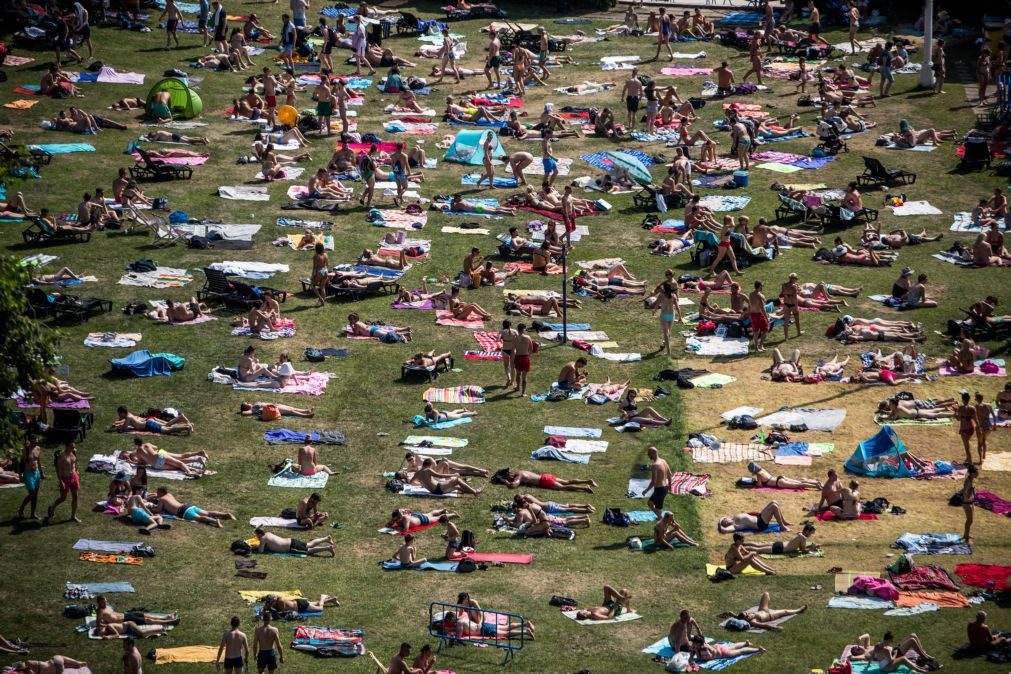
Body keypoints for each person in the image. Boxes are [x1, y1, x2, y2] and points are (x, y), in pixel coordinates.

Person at [848, 632, 934, 672]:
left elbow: (867, 635)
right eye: (857, 649)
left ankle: (925, 654)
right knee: (911, 640)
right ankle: (925, 657)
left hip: (893, 650)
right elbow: (851, 657)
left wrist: (860, 637)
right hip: (893, 655)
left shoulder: (866, 647)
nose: (859, 647)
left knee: (913, 635)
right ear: (857, 653)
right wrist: (851, 657)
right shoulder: (864, 655)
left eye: (858, 646)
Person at [720, 592, 806, 630]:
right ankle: (799, 610)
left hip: (762, 610)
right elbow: (764, 625)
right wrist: (775, 627)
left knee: (766, 593)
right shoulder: (753, 621)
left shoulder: (743, 616)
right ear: (746, 620)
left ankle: (798, 610)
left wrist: (727, 614)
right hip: (770, 615)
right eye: (747, 615)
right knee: (785, 612)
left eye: (747, 612)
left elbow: (733, 614)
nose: (748, 613)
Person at [45, 441, 80, 523]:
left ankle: (73, 516)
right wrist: (61, 481)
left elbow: (74, 462)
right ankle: (52, 507)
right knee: (63, 498)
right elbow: (58, 470)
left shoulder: (73, 452)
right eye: (72, 447)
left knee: (75, 496)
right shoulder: (61, 456)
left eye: (74, 447)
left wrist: (76, 470)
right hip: (65, 478)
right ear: (67, 447)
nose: (73, 448)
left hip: (74, 477)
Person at [409, 457, 483, 496]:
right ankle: (474, 491)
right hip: (439, 488)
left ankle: (474, 491)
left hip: (434, 492)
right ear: (429, 465)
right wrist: (453, 474)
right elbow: (440, 476)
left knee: (457, 487)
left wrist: (421, 484)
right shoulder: (428, 470)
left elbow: (411, 482)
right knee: (457, 480)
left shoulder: (417, 473)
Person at [252, 527, 335, 557]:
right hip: (291, 541)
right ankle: (326, 538)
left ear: (259, 534)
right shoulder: (267, 533)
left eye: (257, 535)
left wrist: (256, 547)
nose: (257, 537)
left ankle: (327, 548)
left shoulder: (263, 538)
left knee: (308, 551)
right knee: (309, 544)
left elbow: (260, 551)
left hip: (290, 547)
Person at [718, 501, 792, 533]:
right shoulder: (734, 526)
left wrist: (722, 519)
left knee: (774, 502)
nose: (726, 521)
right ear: (727, 525)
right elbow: (723, 530)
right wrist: (720, 522)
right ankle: (782, 526)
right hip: (760, 524)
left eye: (725, 519)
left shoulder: (734, 518)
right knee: (774, 507)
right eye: (725, 523)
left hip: (759, 517)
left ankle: (784, 521)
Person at [497, 469, 595, 493]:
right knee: (567, 481)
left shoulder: (519, 476)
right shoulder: (520, 471)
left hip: (544, 481)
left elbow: (513, 486)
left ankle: (585, 488)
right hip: (546, 476)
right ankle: (588, 481)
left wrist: (505, 481)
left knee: (564, 487)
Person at [745, 524, 819, 555]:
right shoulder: (803, 538)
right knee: (758, 549)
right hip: (780, 549)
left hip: (779, 544)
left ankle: (742, 544)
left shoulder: (799, 533)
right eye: (811, 533)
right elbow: (803, 550)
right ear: (807, 531)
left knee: (758, 545)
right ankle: (741, 549)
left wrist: (812, 546)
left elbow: (800, 547)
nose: (810, 535)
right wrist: (811, 548)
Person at [113, 406, 194, 435]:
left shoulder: (128, 417)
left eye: (120, 414)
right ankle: (185, 425)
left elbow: (125, 429)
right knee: (167, 427)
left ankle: (186, 427)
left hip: (149, 425)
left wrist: (120, 428)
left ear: (123, 413)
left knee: (167, 430)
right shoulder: (129, 414)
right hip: (148, 423)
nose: (119, 415)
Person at [651, 281, 680, 355]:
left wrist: (654, 311)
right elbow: (677, 307)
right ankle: (665, 343)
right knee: (668, 332)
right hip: (671, 315)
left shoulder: (661, 296)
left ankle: (668, 351)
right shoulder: (673, 295)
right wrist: (680, 316)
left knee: (666, 333)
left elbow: (657, 305)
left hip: (664, 315)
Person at [17, 435, 42, 520]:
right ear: (29, 441)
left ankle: (33, 514)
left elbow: (38, 460)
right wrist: (20, 475)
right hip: (28, 473)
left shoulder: (38, 448)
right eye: (33, 442)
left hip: (36, 472)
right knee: (32, 494)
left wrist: (41, 472)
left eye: (36, 442)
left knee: (35, 495)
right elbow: (19, 463)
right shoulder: (25, 450)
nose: (34, 444)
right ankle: (21, 508)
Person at [643, 446, 672, 517]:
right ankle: (660, 516)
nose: (649, 456)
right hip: (664, 488)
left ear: (653, 454)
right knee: (650, 503)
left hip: (660, 490)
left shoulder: (654, 466)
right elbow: (670, 474)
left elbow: (654, 481)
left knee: (658, 509)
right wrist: (670, 486)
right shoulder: (663, 461)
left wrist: (646, 490)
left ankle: (662, 520)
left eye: (649, 454)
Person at [748, 462, 821, 490]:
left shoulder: (758, 474)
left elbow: (760, 486)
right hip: (779, 478)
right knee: (799, 482)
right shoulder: (762, 470)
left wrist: (756, 483)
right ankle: (815, 482)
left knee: (798, 485)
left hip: (779, 483)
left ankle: (815, 486)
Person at [955, 391, 980, 465]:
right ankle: (967, 459)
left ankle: (971, 465)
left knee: (967, 448)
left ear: (963, 399)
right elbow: (976, 420)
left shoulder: (961, 408)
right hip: (971, 429)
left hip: (964, 429)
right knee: (967, 443)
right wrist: (979, 428)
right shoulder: (973, 408)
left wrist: (955, 412)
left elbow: (958, 419)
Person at [513, 323, 534, 396]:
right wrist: (529, 355)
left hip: (518, 357)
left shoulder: (515, 338)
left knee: (518, 374)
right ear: (523, 329)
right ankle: (523, 393)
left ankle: (518, 387)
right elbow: (531, 348)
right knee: (524, 376)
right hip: (525, 357)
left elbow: (514, 349)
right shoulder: (528, 337)